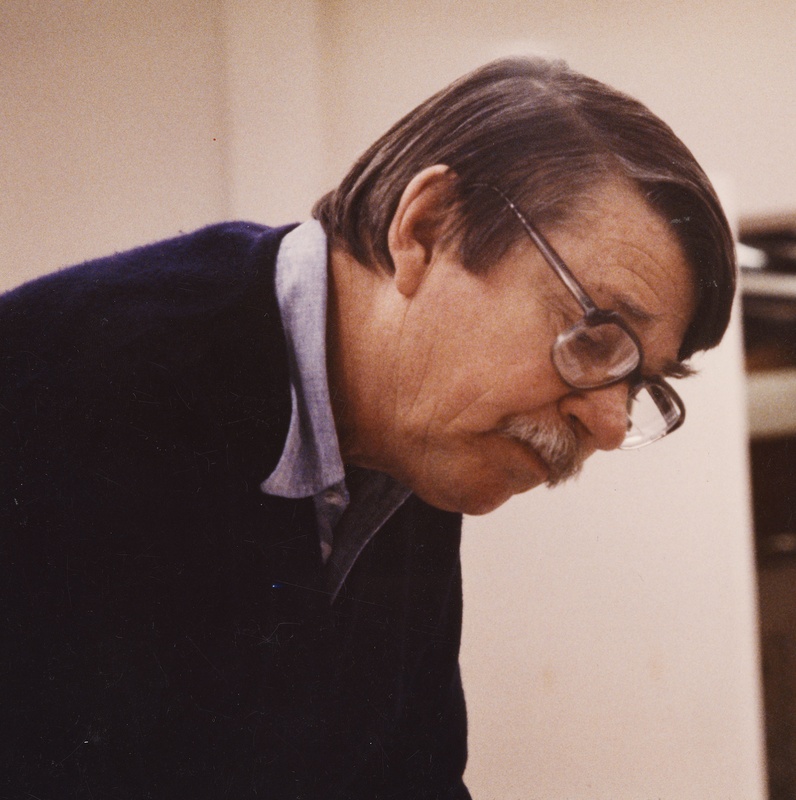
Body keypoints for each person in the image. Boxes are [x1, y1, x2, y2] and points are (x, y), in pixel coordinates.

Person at [0, 57, 735, 798]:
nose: (608, 423)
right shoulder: (59, 384)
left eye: (642, 384)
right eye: (597, 334)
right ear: (427, 228)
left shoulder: (415, 445)